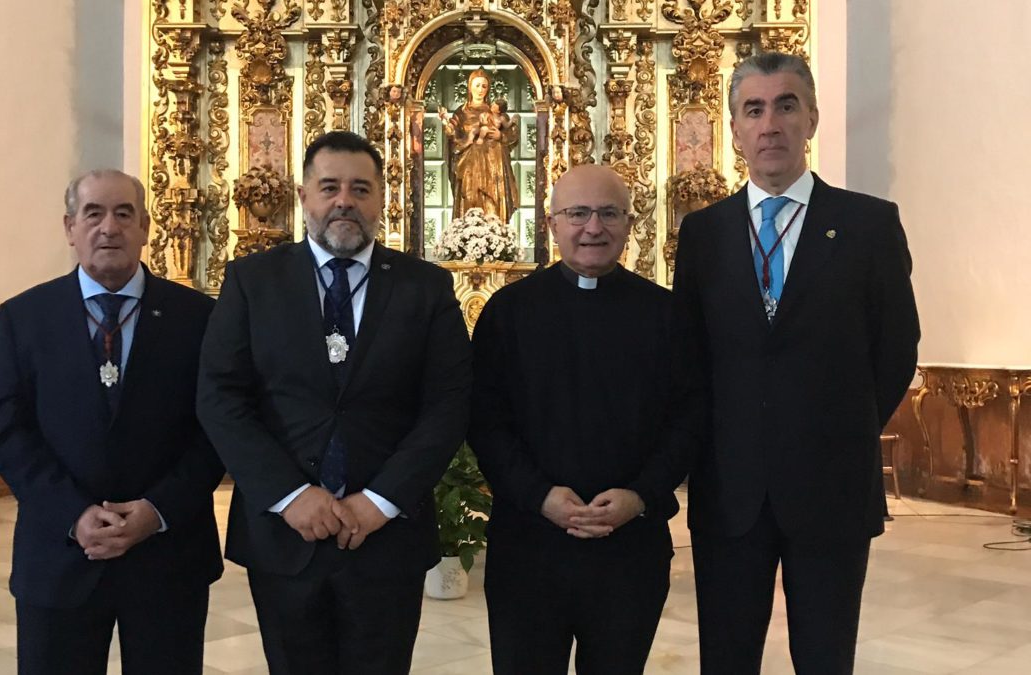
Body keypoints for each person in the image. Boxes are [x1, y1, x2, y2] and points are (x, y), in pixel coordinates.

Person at [673, 52, 920, 674]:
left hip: (831, 485)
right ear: (734, 128)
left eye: (786, 105)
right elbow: (690, 358)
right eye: (753, 109)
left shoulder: (868, 225)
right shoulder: (704, 235)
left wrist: (840, 426)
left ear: (811, 118)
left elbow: (896, 348)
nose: (770, 123)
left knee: (826, 656)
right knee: (726, 659)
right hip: (730, 490)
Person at [197, 130, 472, 674]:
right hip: (284, 533)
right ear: (304, 197)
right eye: (329, 187)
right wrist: (289, 494)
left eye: (360, 188)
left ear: (381, 199)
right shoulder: (253, 281)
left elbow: (448, 404)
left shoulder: (426, 287)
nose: (344, 200)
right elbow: (220, 396)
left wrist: (382, 500)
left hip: (387, 534)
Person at [0, 169, 225, 675]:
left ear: (146, 226)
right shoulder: (24, 317)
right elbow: (7, 430)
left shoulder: (199, 318)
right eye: (93, 214)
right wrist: (74, 514)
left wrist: (156, 510)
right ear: (70, 227)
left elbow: (218, 427)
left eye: (123, 213)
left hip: (167, 555)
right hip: (59, 555)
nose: (108, 227)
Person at [469, 164, 701, 674]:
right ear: (551, 224)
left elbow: (689, 418)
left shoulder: (666, 315)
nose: (593, 228)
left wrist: (640, 495)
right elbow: (485, 420)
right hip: (528, 546)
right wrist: (539, 496)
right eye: (577, 213)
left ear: (628, 224)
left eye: (608, 213)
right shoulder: (508, 313)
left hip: (630, 549)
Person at [439, 69, 520, 223]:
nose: (480, 89)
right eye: (477, 85)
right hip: (470, 163)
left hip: (494, 163)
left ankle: (496, 233)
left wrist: (500, 136)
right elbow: (453, 136)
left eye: (484, 86)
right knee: (471, 196)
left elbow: (511, 133)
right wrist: (447, 125)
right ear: (470, 87)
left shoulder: (495, 111)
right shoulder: (461, 113)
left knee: (493, 200)